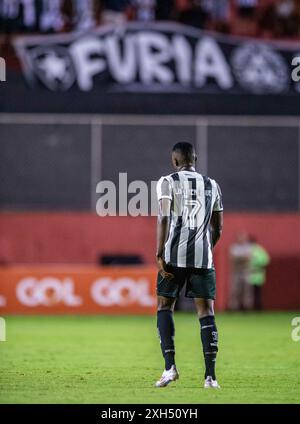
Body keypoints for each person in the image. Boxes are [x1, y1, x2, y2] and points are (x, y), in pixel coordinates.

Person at [155, 142, 223, 389]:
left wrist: (160, 252)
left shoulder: (167, 181)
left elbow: (163, 216)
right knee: (206, 312)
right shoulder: (212, 185)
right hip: (203, 258)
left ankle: (169, 368)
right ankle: (210, 377)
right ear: (196, 159)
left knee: (164, 307)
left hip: (174, 256)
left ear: (175, 161)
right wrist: (206, 248)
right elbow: (219, 227)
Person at [229, 232, 252, 311]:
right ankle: (234, 308)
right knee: (235, 290)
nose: (241, 239)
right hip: (236, 271)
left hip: (246, 271)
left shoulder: (248, 246)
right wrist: (242, 258)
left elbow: (248, 258)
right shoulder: (234, 247)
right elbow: (233, 259)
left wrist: (239, 258)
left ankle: (247, 307)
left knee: (247, 291)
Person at [248, 236, 270, 310]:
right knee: (257, 293)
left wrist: (254, 265)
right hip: (258, 275)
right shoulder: (260, 250)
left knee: (253, 293)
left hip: (253, 275)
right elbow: (266, 260)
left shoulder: (252, 250)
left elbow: (264, 260)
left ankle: (254, 307)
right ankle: (257, 307)